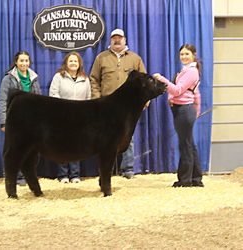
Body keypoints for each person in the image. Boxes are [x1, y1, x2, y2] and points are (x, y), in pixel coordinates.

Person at [90, 28, 149, 179]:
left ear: (125, 40)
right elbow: (94, 80)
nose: (117, 40)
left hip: (128, 108)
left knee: (127, 138)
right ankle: (105, 171)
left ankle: (128, 169)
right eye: (114, 38)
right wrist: (96, 99)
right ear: (110, 41)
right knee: (103, 139)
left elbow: (145, 82)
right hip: (105, 107)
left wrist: (145, 101)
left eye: (120, 38)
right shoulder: (101, 58)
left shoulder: (135, 59)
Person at [153, 44, 203, 187]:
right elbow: (196, 94)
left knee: (185, 145)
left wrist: (162, 80)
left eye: (187, 54)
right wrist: (196, 113)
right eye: (181, 54)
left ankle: (185, 180)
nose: (183, 57)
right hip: (184, 110)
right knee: (189, 144)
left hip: (184, 110)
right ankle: (195, 178)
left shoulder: (190, 72)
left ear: (194, 54)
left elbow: (177, 90)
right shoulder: (188, 71)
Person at [0, 51, 42, 186]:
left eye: (26, 61)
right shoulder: (8, 79)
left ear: (29, 63)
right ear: (16, 62)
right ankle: (13, 177)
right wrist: (3, 121)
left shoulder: (34, 78)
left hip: (32, 122)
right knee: (14, 149)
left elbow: (39, 100)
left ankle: (26, 176)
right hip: (15, 121)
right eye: (21, 61)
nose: (24, 63)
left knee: (31, 150)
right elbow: (2, 100)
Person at [49, 51, 91, 184]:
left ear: (79, 64)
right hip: (62, 117)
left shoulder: (85, 78)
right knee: (62, 146)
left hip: (79, 118)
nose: (73, 63)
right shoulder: (58, 77)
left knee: (76, 147)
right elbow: (53, 94)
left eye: (76, 61)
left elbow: (88, 98)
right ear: (66, 63)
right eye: (71, 61)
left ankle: (75, 175)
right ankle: (63, 175)